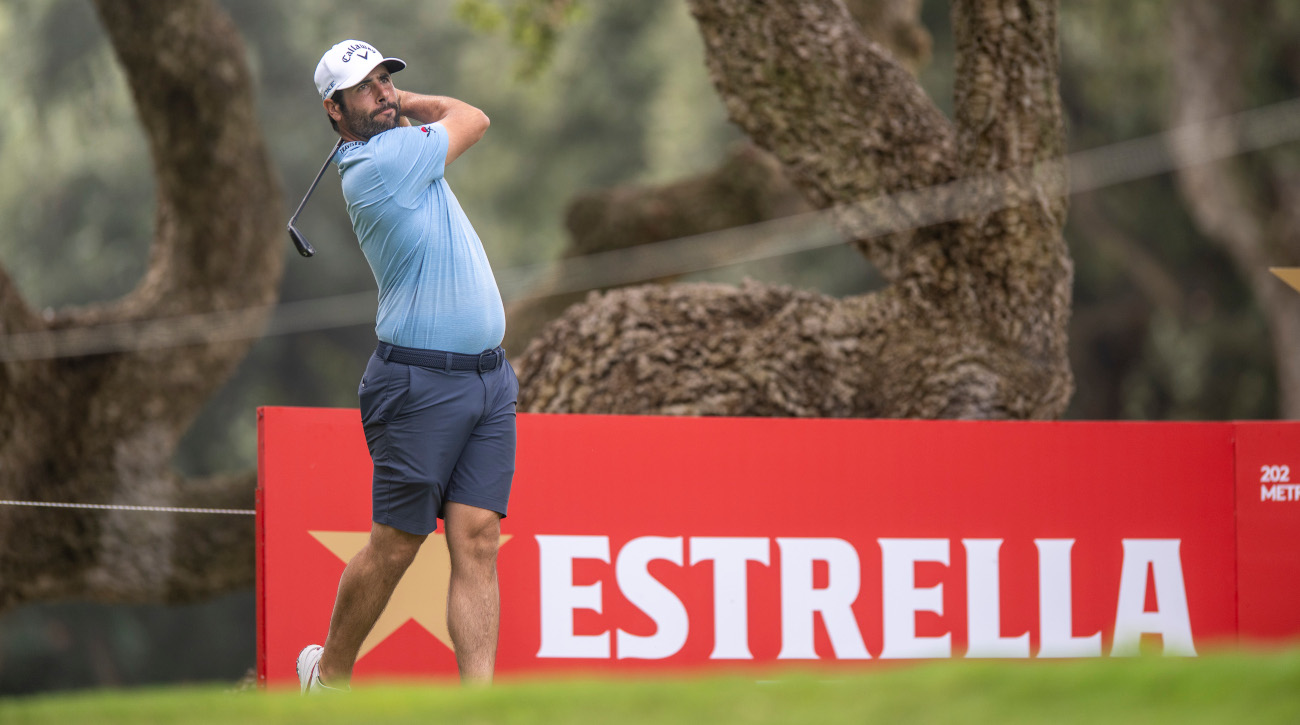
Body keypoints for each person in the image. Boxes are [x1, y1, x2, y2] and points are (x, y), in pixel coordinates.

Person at [295, 39, 517, 692]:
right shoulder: (381, 163)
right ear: (334, 111)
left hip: (487, 379)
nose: (384, 92)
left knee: (476, 538)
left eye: (387, 79)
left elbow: (451, 125)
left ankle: (479, 704)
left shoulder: (400, 148)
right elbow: (473, 117)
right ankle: (329, 676)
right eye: (366, 88)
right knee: (396, 542)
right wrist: (415, 106)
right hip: (419, 382)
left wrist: (395, 106)